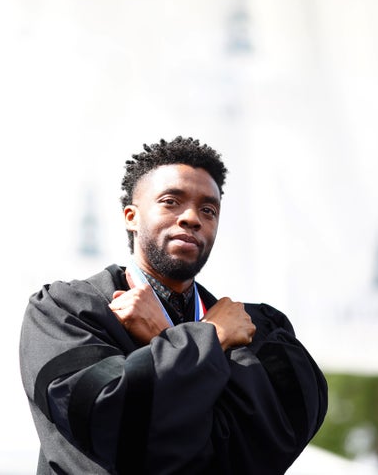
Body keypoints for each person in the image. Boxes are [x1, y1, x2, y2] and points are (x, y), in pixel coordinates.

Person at [19, 136, 328, 474]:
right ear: (131, 216)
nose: (192, 218)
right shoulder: (68, 312)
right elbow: (113, 421)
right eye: (171, 201)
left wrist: (169, 336)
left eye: (208, 210)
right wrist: (210, 338)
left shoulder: (257, 331)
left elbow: (262, 453)